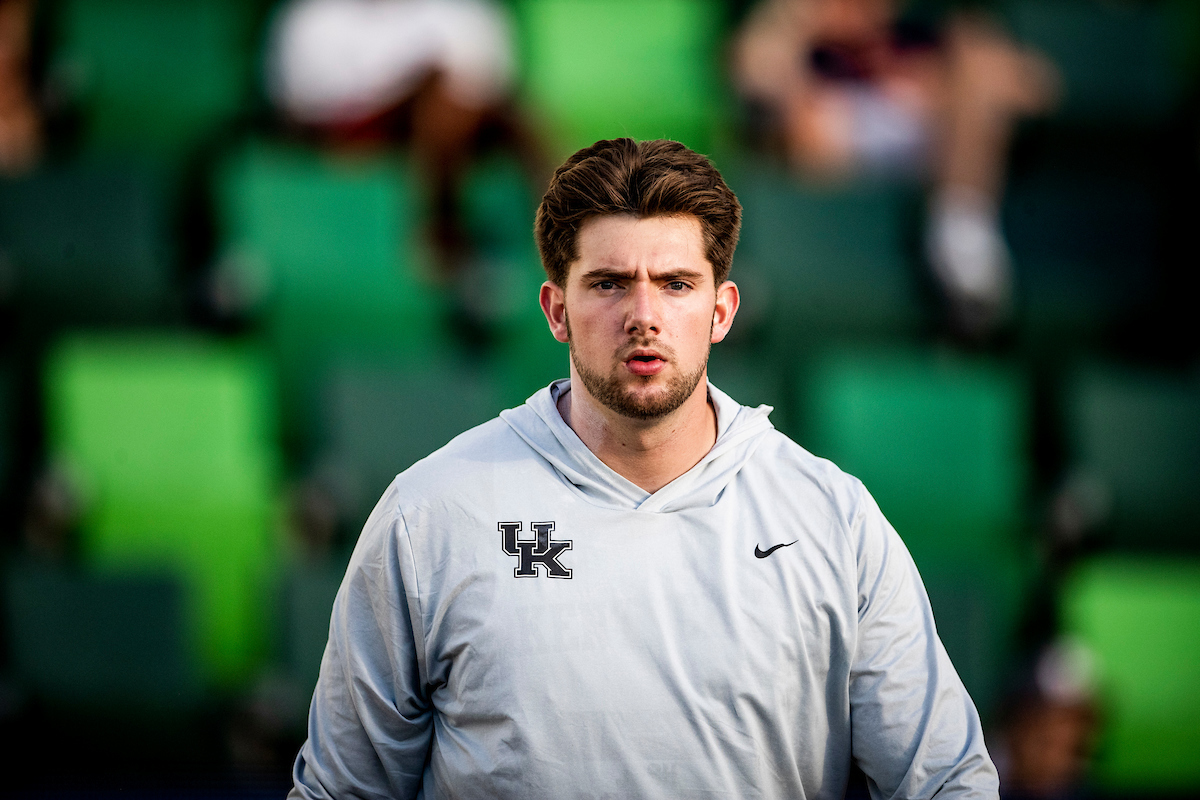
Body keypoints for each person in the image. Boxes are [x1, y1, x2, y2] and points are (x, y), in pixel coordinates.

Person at [290, 138, 999, 799]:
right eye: (607, 284)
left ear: (722, 311)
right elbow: (339, 789)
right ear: (555, 310)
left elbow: (946, 780)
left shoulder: (831, 520)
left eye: (676, 284)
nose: (643, 314)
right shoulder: (433, 514)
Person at [732, 0, 1059, 339]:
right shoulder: (810, 26)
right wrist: (799, 17)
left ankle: (961, 243)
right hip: (828, 142)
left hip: (933, 146)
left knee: (981, 73)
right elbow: (755, 76)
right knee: (789, 115)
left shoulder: (944, 27)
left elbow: (1035, 89)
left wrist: (935, 80)